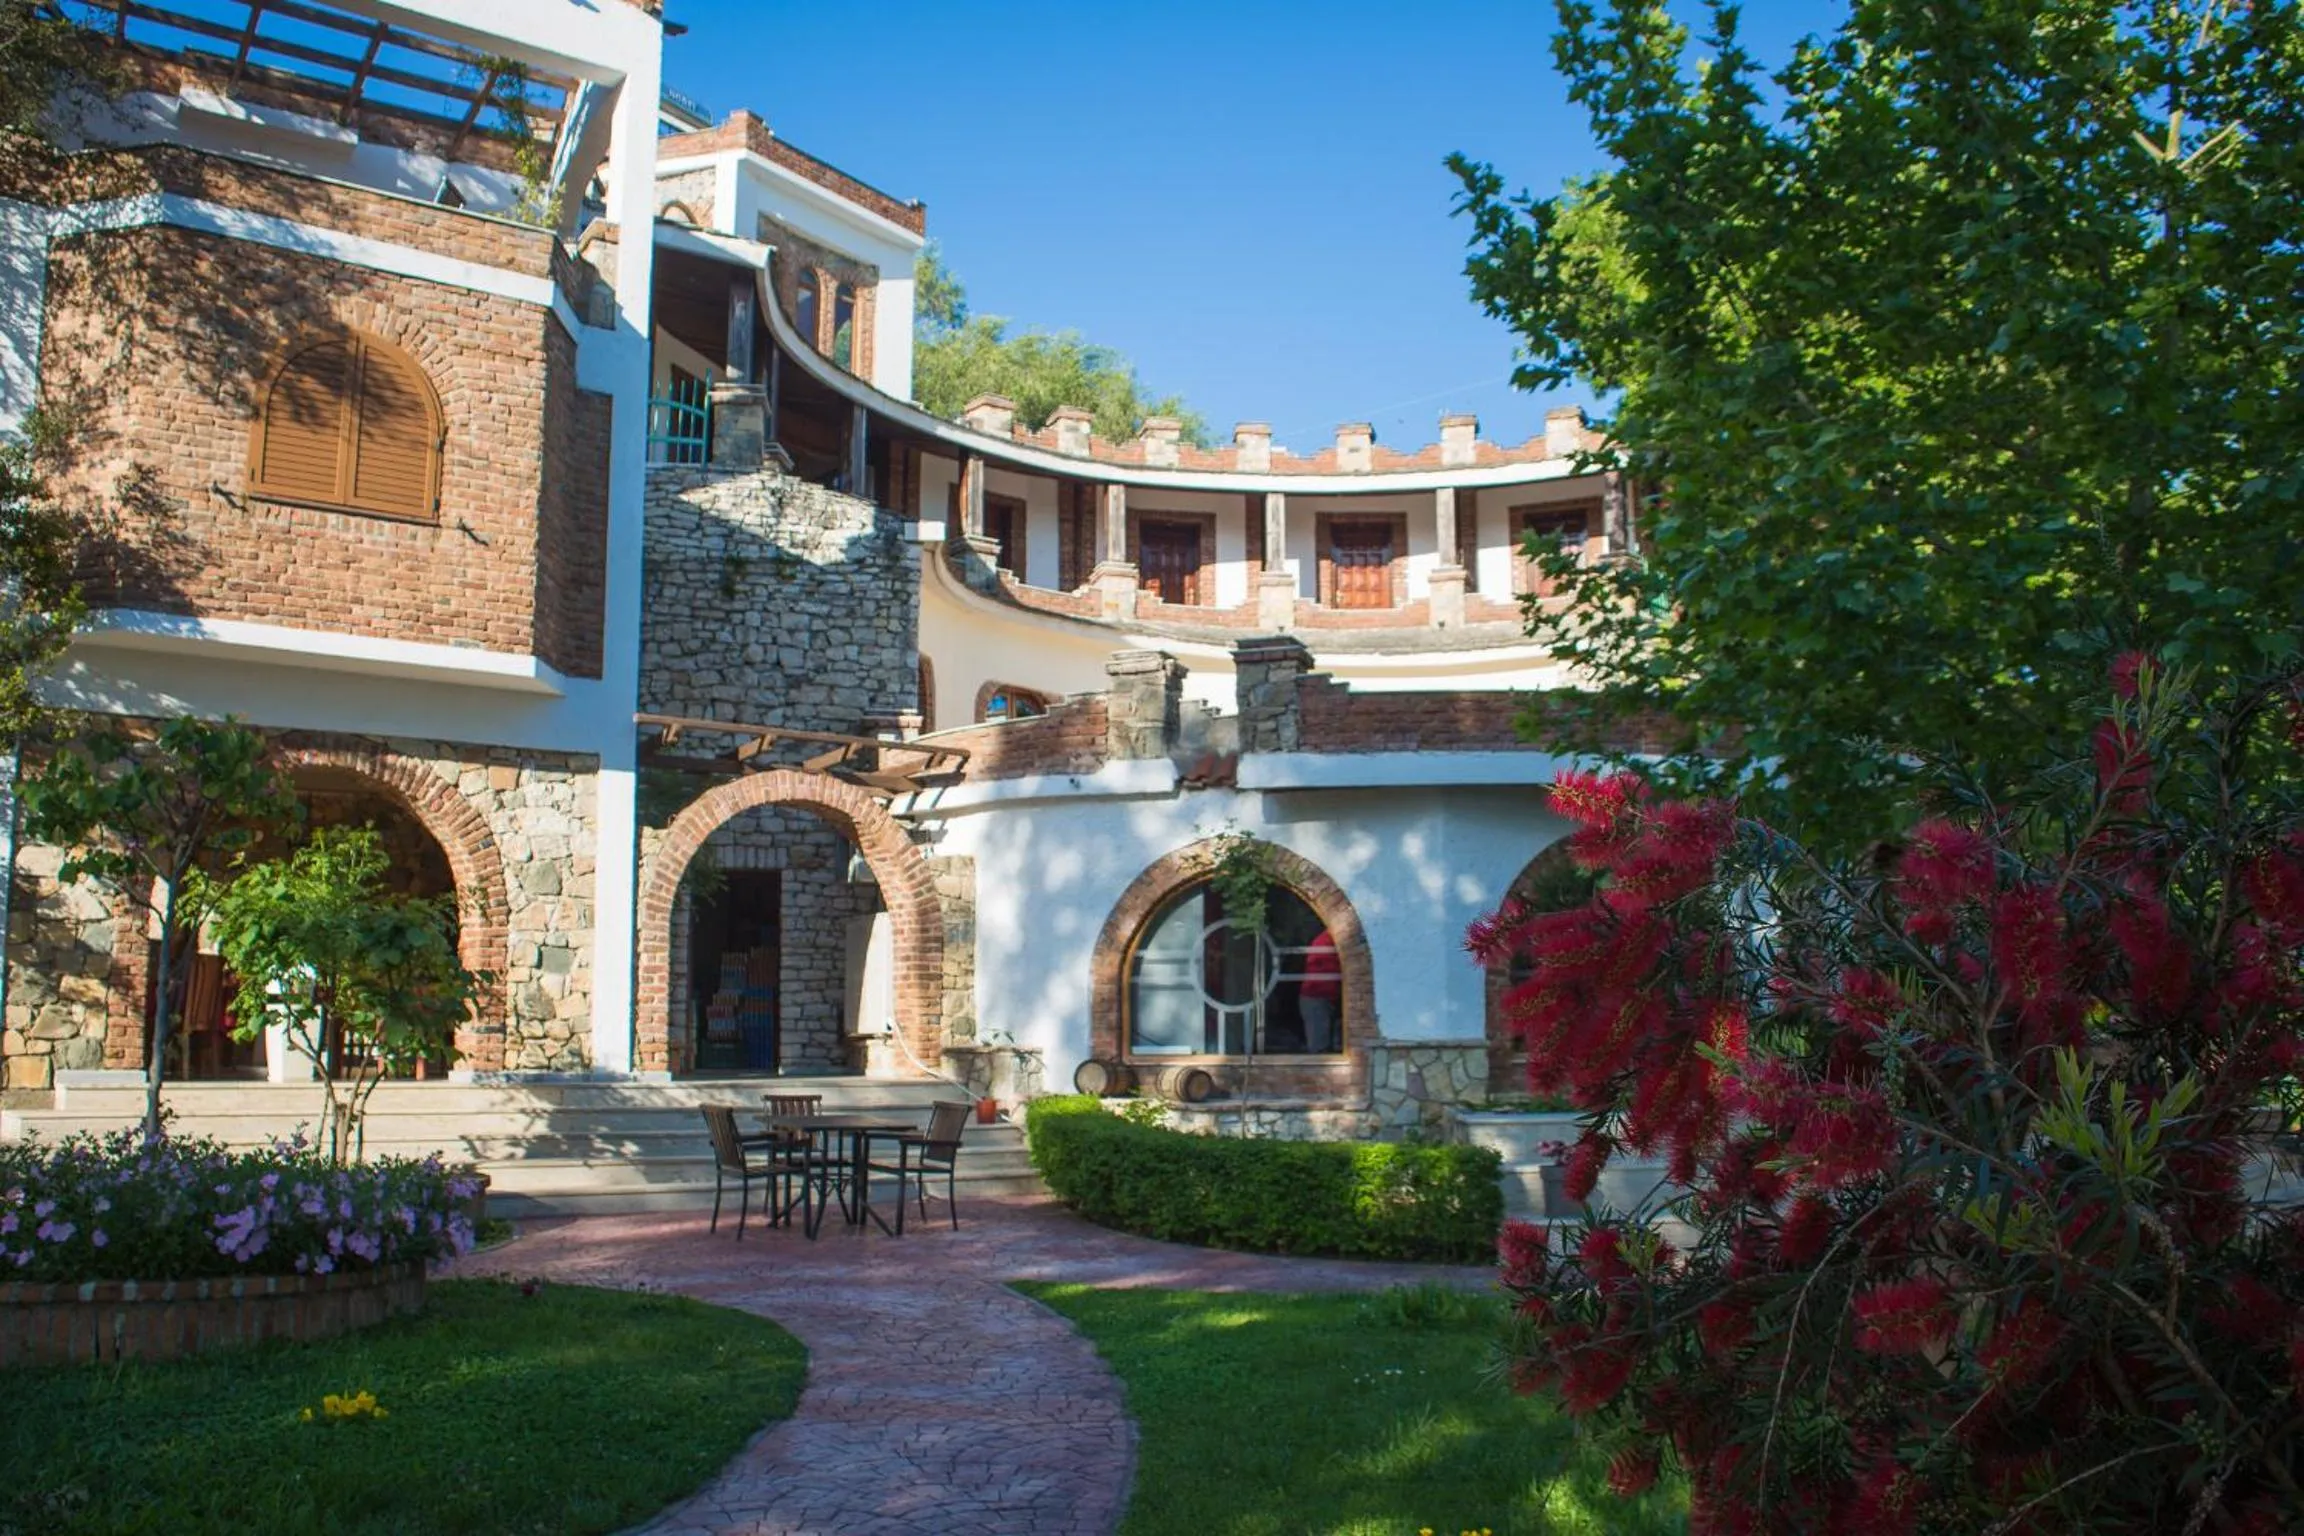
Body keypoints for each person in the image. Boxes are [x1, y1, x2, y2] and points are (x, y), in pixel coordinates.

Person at [1297, 928, 1340, 1053]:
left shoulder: (1327, 939)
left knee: (1326, 1046)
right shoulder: (1328, 940)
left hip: (1324, 996)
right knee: (1320, 1049)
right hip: (1316, 997)